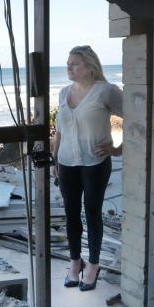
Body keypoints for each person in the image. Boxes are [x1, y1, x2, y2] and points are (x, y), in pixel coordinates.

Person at [51, 45, 123, 291]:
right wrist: (54, 158)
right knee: (71, 213)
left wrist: (117, 149)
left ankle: (93, 265)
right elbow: (59, 129)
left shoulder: (106, 91)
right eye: (68, 63)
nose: (69, 67)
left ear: (90, 66)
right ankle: (75, 262)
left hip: (95, 163)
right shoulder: (63, 93)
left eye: (75, 63)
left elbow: (138, 116)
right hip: (67, 162)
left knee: (92, 213)